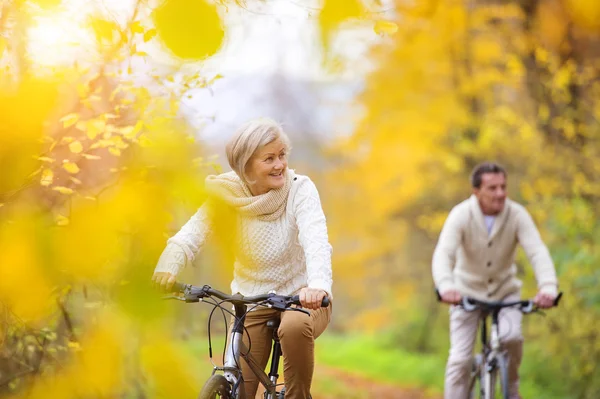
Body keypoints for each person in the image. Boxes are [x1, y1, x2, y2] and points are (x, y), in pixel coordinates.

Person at [151, 117, 333, 399]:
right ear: (246, 166)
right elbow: (190, 235)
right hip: (251, 300)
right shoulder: (226, 196)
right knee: (239, 390)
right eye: (269, 158)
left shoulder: (300, 189)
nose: (280, 165)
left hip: (303, 299)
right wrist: (168, 266)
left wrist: (318, 285)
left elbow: (316, 240)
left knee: (294, 325)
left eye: (282, 155)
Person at [432, 162, 558, 399]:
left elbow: (537, 252)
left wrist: (548, 287)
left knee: (512, 339)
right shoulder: (460, 215)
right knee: (459, 359)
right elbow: (444, 253)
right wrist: (446, 286)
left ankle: (511, 389)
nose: (500, 193)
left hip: (505, 293)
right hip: (465, 294)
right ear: (476, 192)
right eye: (492, 188)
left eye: (503, 187)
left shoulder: (517, 214)